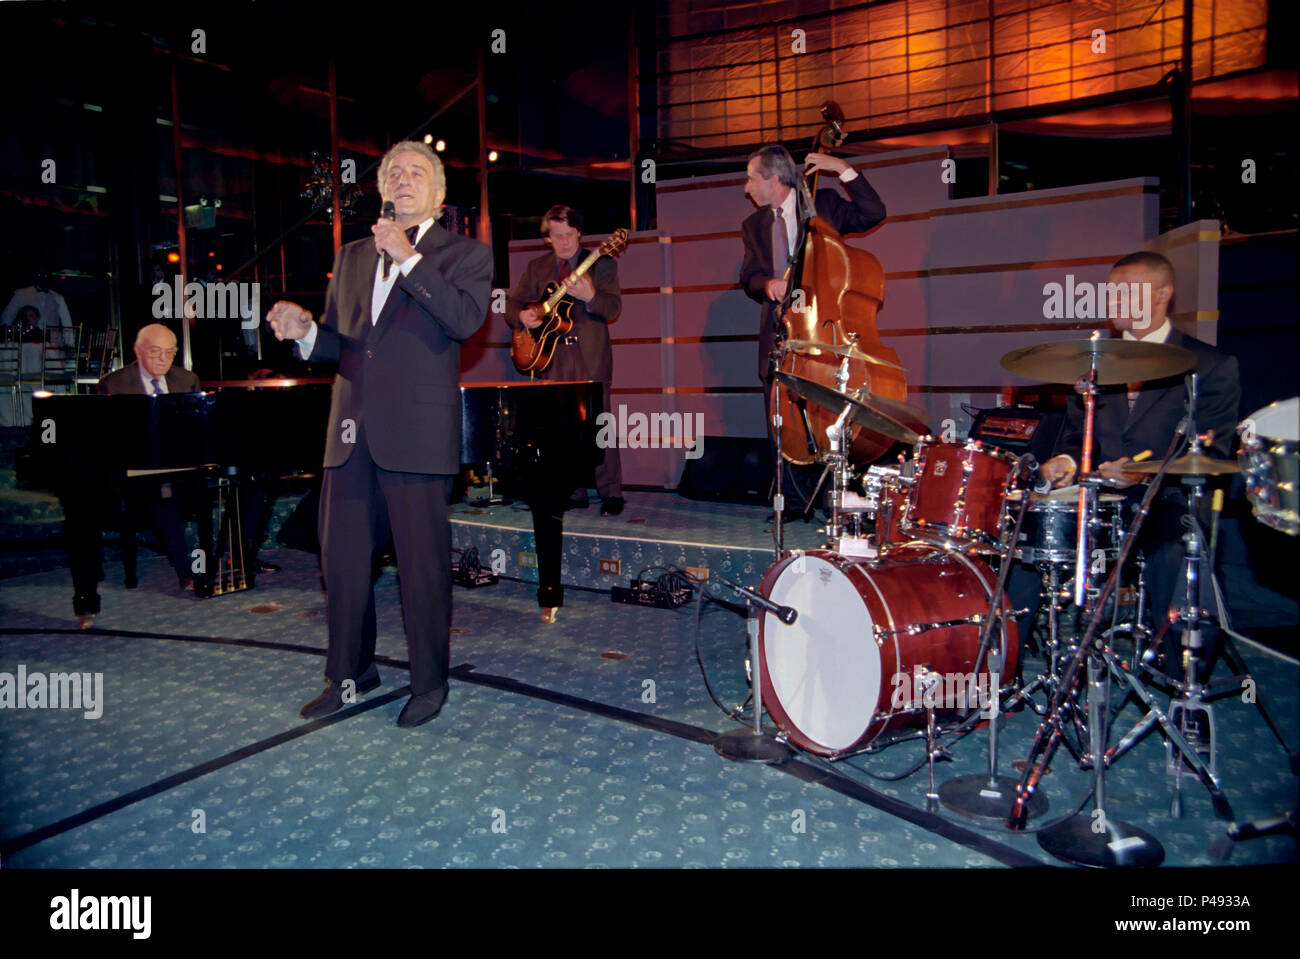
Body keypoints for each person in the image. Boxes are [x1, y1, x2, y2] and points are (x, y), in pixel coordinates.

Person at [268, 140, 492, 728]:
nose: (402, 179)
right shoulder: (352, 256)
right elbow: (347, 345)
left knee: (420, 566)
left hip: (417, 433)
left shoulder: (464, 254)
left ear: (439, 196)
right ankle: (348, 674)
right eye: (393, 172)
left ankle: (429, 682)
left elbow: (466, 321)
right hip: (350, 431)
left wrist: (409, 260)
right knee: (340, 563)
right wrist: (306, 333)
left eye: (417, 172)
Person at [1027, 251, 1241, 678]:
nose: (1115, 301)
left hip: (1169, 500)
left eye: (1128, 292)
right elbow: (1074, 437)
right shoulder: (1094, 363)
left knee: (1177, 549)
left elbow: (1212, 454)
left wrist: (1144, 472)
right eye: (1111, 292)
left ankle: (1182, 681)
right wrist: (1066, 461)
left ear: (1163, 294)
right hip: (1102, 500)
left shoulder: (1212, 366)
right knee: (1027, 529)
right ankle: (1011, 662)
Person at [739, 145, 887, 515]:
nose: (747, 188)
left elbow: (873, 213)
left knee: (829, 417)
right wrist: (767, 284)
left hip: (825, 333)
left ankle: (833, 499)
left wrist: (843, 168)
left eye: (752, 178)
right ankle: (791, 500)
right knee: (781, 418)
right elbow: (749, 276)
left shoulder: (824, 204)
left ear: (774, 179)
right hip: (781, 332)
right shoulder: (753, 225)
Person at [505, 205, 623, 515]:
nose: (565, 242)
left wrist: (591, 297)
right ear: (548, 239)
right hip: (550, 356)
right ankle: (573, 489)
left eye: (569, 235)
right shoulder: (536, 268)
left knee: (599, 423)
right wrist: (521, 315)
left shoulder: (603, 263)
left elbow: (612, 307)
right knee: (560, 426)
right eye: (557, 236)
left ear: (580, 233)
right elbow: (513, 303)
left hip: (589, 355)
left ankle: (611, 492)